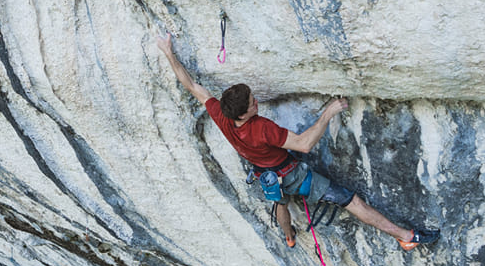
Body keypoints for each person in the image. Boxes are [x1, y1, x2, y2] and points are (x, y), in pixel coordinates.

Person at [157, 32, 438, 250]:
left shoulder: (221, 114)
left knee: (280, 203)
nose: (257, 101)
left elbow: (191, 85)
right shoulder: (261, 128)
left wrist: (169, 53)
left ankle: (289, 237)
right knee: (349, 200)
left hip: (265, 174)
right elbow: (304, 145)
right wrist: (328, 113)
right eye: (253, 102)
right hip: (292, 174)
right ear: (246, 112)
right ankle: (405, 236)